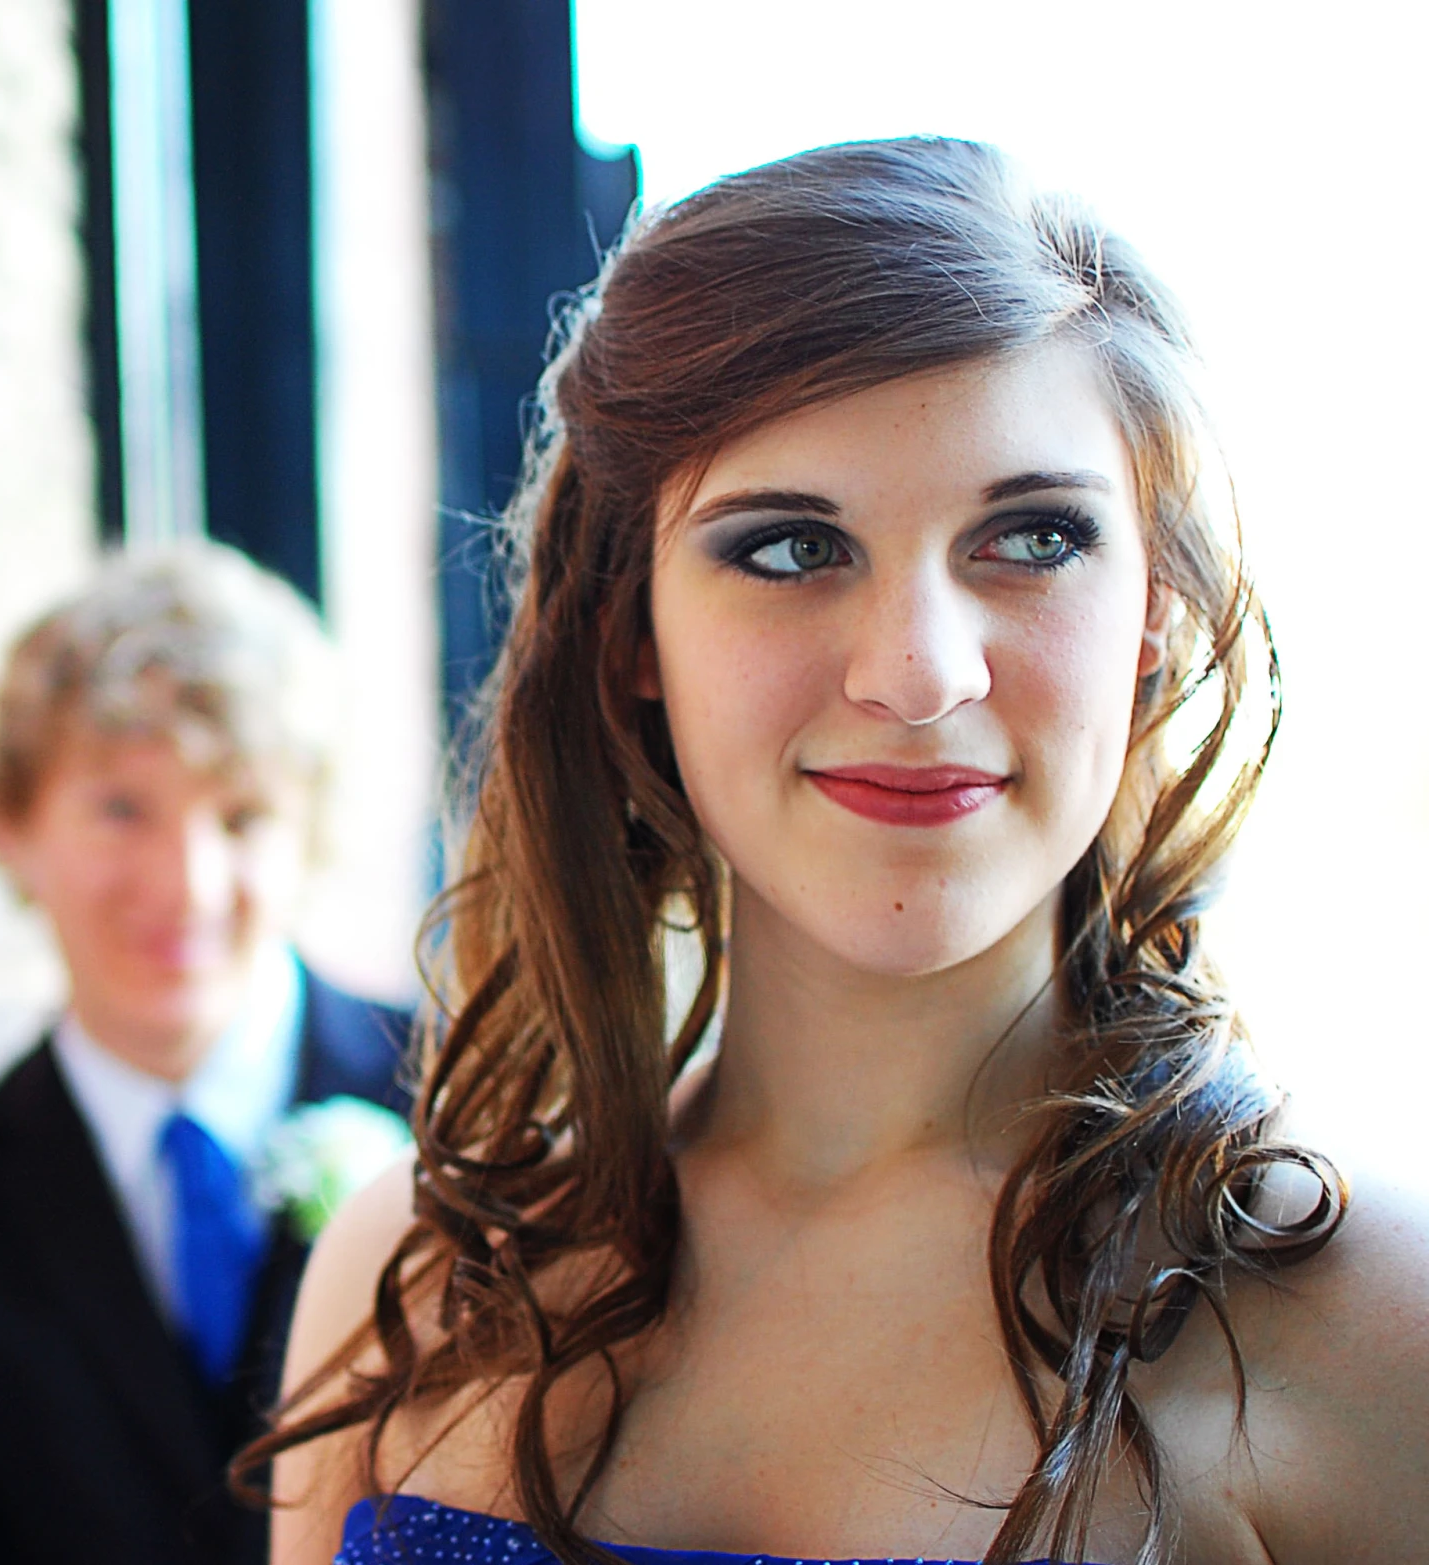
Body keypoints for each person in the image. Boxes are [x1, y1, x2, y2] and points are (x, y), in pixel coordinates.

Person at [255, 138, 1429, 1565]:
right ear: (630, 631)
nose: (919, 673)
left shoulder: (1363, 1324)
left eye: (1032, 536)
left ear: (1155, 618)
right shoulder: (417, 1278)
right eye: (791, 549)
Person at [0, 542, 414, 1565]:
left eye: (239, 816)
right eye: (120, 809)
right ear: (12, 826)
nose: (184, 883)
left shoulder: (478, 1102)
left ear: (309, 830)